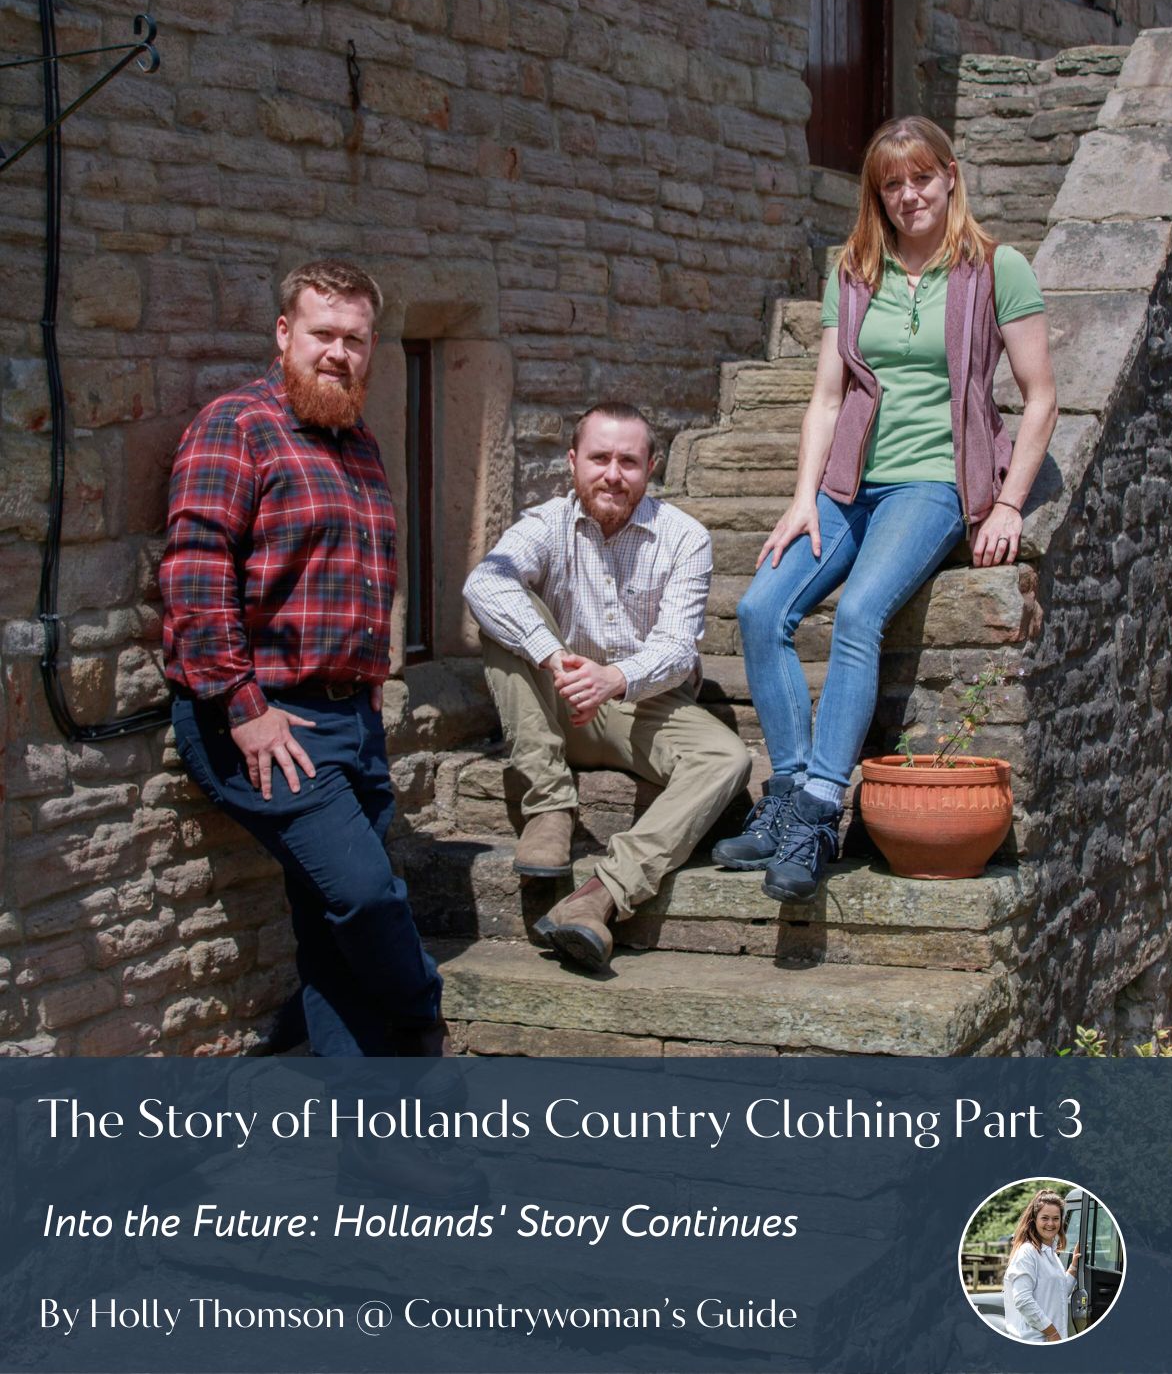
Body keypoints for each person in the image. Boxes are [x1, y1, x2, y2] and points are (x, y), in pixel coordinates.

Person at [715, 115, 1057, 901]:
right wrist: (803, 499)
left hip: (933, 482)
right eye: (891, 184)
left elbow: (1042, 401)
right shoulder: (855, 270)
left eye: (921, 178)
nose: (908, 195)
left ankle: (821, 809)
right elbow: (826, 398)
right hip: (847, 485)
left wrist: (1006, 504)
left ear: (950, 176)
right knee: (762, 608)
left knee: (861, 611)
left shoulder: (997, 268)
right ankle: (792, 798)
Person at [160, 259, 444, 1058]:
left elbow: (361, 582)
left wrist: (369, 692)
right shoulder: (236, 426)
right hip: (263, 717)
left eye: (356, 340)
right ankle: (424, 1013)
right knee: (364, 896)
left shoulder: (360, 444)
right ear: (284, 334)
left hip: (350, 717)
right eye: (322, 334)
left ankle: (369, 1147)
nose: (338, 353)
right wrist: (241, 706)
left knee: (332, 939)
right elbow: (193, 570)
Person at [463, 402, 752, 972]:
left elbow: (676, 647)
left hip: (643, 704)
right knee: (499, 612)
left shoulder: (684, 538)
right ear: (573, 462)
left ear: (652, 467)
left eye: (628, 461)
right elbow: (482, 582)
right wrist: (553, 656)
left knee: (728, 758)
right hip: (558, 699)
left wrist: (616, 677)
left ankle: (599, 895)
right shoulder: (545, 524)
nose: (612, 474)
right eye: (599, 458)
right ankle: (549, 808)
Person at [1001, 1188, 1080, 1342]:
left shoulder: (1050, 1254)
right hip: (1034, 1340)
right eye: (1045, 1218)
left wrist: (1074, 1266)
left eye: (1056, 1218)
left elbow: (1059, 1293)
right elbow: (1023, 1300)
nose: (1051, 1223)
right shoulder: (1027, 1253)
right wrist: (1051, 1333)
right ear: (1034, 1220)